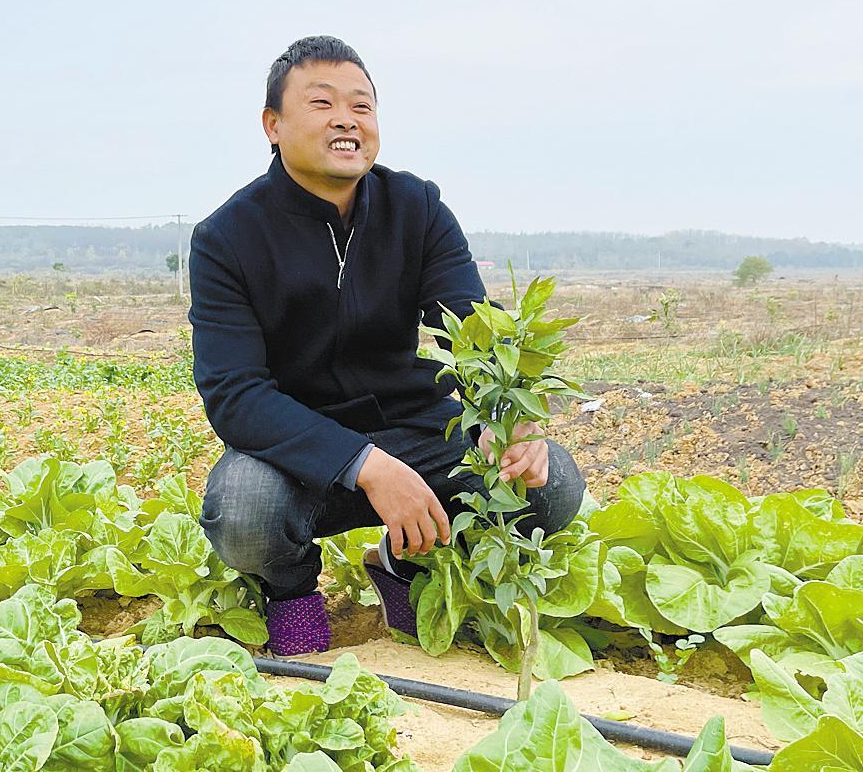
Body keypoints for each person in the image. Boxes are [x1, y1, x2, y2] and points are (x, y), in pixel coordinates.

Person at [189, 35, 585, 656]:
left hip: (415, 427)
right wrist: (364, 464)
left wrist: (511, 418)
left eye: (362, 106)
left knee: (550, 482)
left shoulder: (416, 207)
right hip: (296, 452)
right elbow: (234, 394)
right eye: (321, 103)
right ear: (273, 125)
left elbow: (474, 327)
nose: (346, 119)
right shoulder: (228, 237)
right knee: (242, 507)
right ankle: (291, 594)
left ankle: (409, 565)